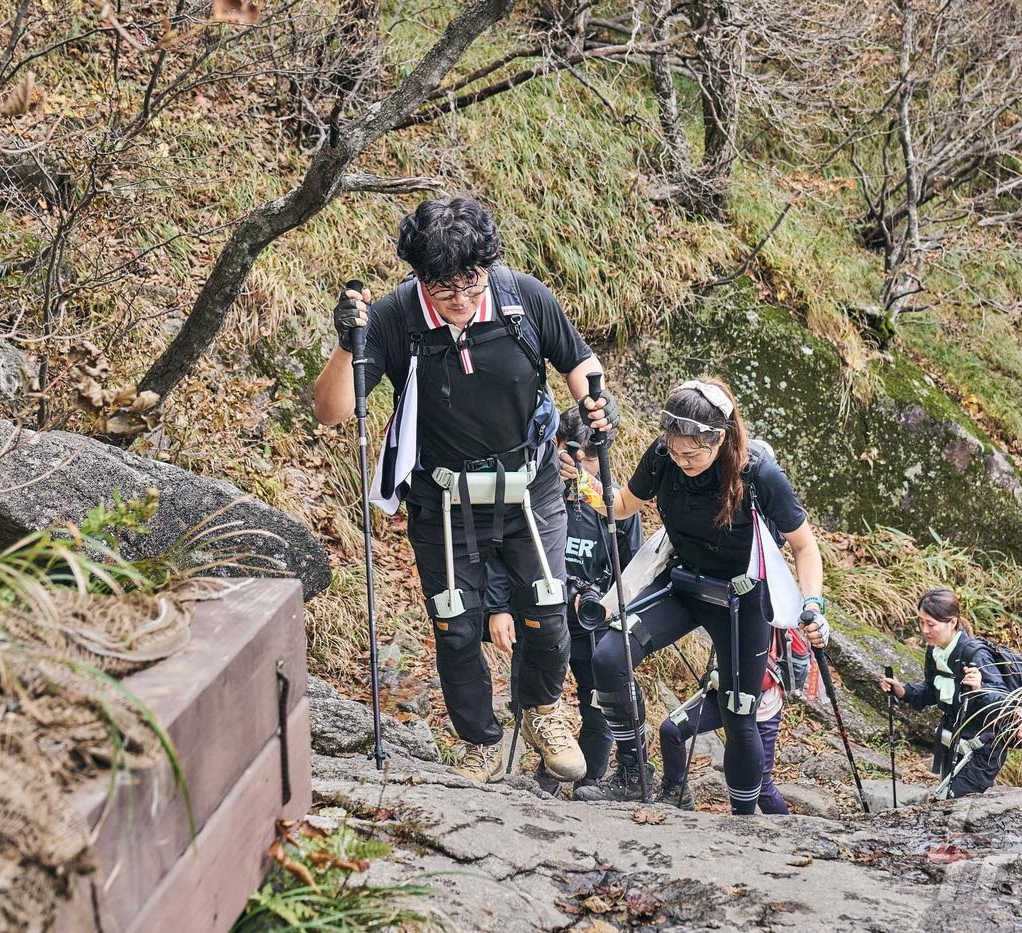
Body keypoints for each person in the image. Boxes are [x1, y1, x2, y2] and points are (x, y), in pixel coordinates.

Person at [312, 196, 618, 784]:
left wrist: (592, 403)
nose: (460, 299)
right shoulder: (396, 317)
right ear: (419, 276)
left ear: (487, 267)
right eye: (443, 287)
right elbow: (332, 411)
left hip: (532, 487)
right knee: (456, 627)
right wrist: (349, 344)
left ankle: (542, 711)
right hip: (443, 497)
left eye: (471, 282)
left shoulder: (522, 297)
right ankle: (479, 740)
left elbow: (578, 360)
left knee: (549, 612)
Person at [587, 377, 829, 813]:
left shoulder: (758, 473)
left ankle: (743, 821)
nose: (682, 462)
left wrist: (812, 603)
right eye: (675, 451)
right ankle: (631, 770)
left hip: (743, 600)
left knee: (739, 713)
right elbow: (621, 505)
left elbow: (804, 545)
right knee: (609, 654)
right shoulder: (664, 458)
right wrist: (585, 483)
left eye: (692, 454)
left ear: (719, 438)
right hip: (683, 585)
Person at [483, 408, 643, 798]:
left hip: (593, 621)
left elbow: (634, 567)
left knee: (599, 705)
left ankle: (590, 780)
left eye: (591, 457)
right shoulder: (533, 490)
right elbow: (500, 552)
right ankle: (547, 773)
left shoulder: (615, 505)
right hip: (537, 613)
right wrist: (498, 606)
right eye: (575, 455)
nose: (581, 466)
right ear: (556, 446)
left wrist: (607, 603)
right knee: (536, 698)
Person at [656, 625, 811, 813]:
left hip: (760, 708)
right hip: (725, 695)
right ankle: (676, 793)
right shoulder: (726, 606)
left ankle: (788, 834)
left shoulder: (767, 618)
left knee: (761, 785)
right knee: (671, 730)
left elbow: (763, 678)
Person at [879, 587, 1009, 798]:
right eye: (921, 622)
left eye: (931, 624)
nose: (925, 630)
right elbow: (932, 691)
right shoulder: (935, 651)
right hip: (952, 741)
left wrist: (980, 688)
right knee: (949, 804)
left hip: (982, 748)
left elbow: (1003, 700)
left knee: (955, 803)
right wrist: (902, 691)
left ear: (953, 622)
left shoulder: (974, 654)